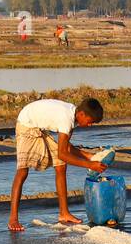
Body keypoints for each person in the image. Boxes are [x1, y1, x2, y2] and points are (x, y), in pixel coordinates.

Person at [9, 96, 107, 232]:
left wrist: (90, 157)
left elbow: (67, 148)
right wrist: (90, 165)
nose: (90, 125)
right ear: (82, 114)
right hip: (26, 125)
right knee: (22, 171)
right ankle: (13, 218)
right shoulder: (66, 119)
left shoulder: (73, 117)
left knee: (61, 166)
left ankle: (64, 213)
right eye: (90, 122)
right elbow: (63, 154)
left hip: (39, 127)